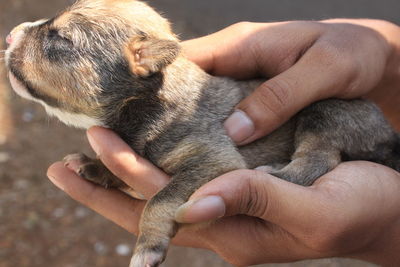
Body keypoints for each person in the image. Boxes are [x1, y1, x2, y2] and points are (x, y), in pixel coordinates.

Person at [47, 19, 400, 266]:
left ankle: (309, 167)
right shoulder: (148, 118)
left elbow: (212, 165)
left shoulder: (175, 113)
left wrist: (387, 231)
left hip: (355, 124)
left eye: (60, 39)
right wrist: (386, 55)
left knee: (323, 124)